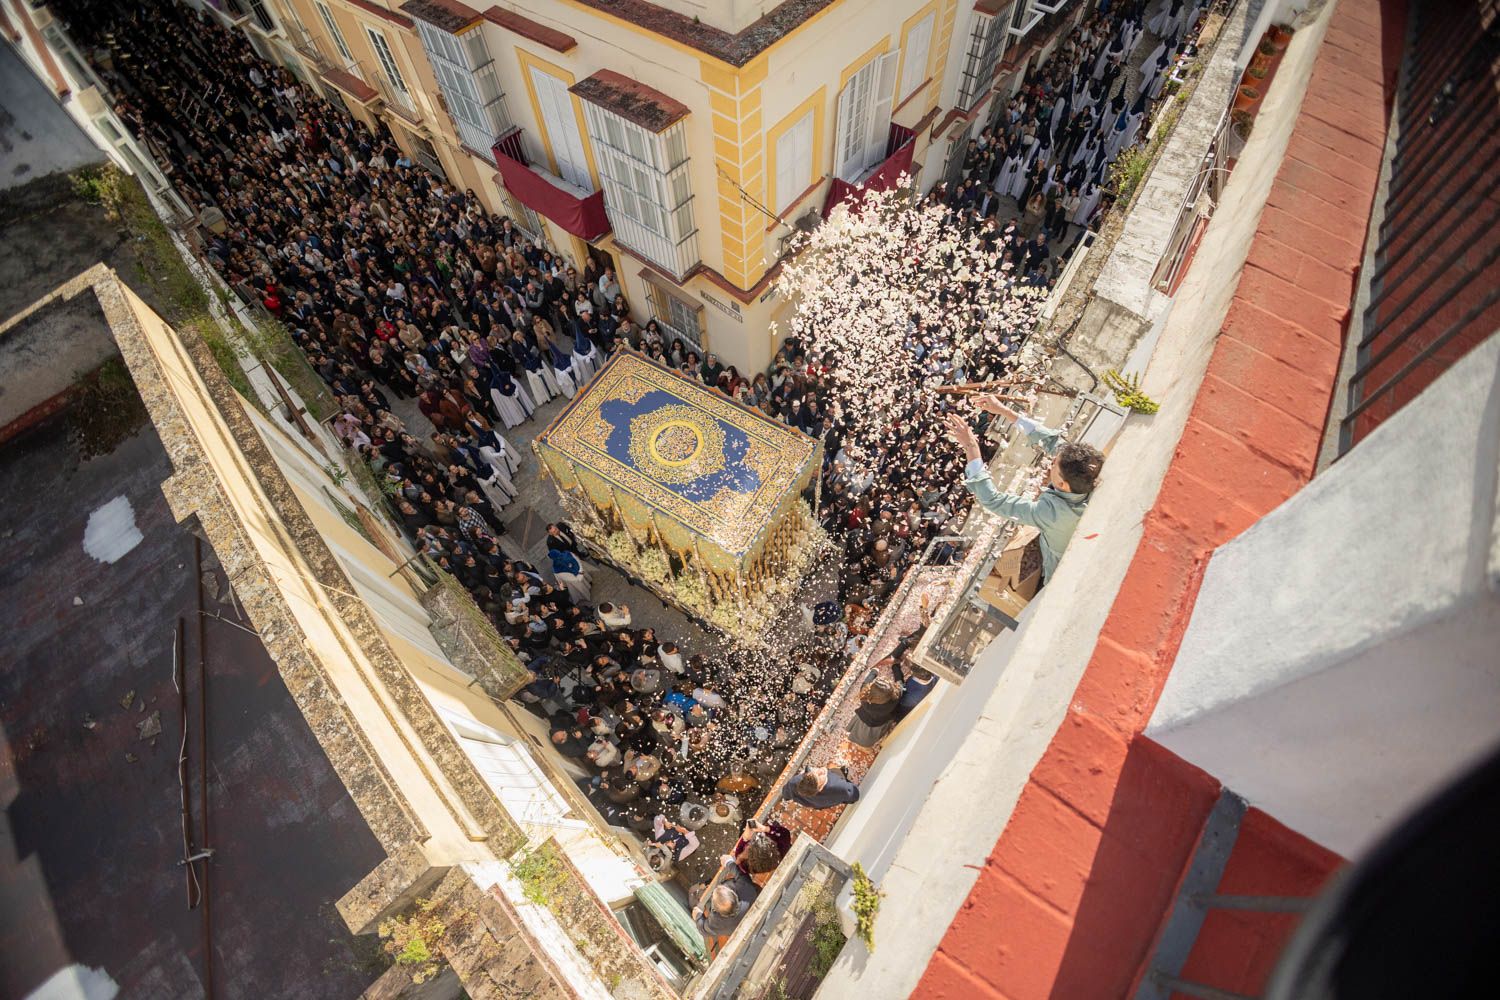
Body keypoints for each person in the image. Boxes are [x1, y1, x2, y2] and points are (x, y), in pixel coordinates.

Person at [946, 395, 1104, 584]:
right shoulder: (1089, 470)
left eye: (1054, 464)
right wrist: (1004, 411)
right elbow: (1053, 442)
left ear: (1063, 485)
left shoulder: (1052, 514)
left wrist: (970, 446)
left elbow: (994, 500)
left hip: (1063, 577)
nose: (1052, 462)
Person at [692, 860, 760, 952]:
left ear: (716, 910)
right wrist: (728, 862)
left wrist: (698, 916)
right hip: (755, 905)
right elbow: (741, 874)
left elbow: (703, 930)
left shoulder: (716, 922)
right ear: (734, 896)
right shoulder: (745, 889)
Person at [846, 674, 902, 748]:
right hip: (877, 724)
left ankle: (860, 744)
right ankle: (865, 746)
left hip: (863, 718)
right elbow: (900, 687)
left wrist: (874, 672)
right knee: (869, 738)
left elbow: (865, 682)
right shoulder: (892, 703)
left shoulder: (865, 699)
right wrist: (898, 676)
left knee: (858, 732)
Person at [781, 764, 860, 810]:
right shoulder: (842, 787)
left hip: (816, 804)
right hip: (827, 801)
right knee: (837, 771)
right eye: (820, 775)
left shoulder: (794, 782)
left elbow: (785, 794)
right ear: (820, 788)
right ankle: (843, 772)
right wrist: (853, 785)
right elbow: (854, 797)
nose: (821, 770)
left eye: (812, 770)